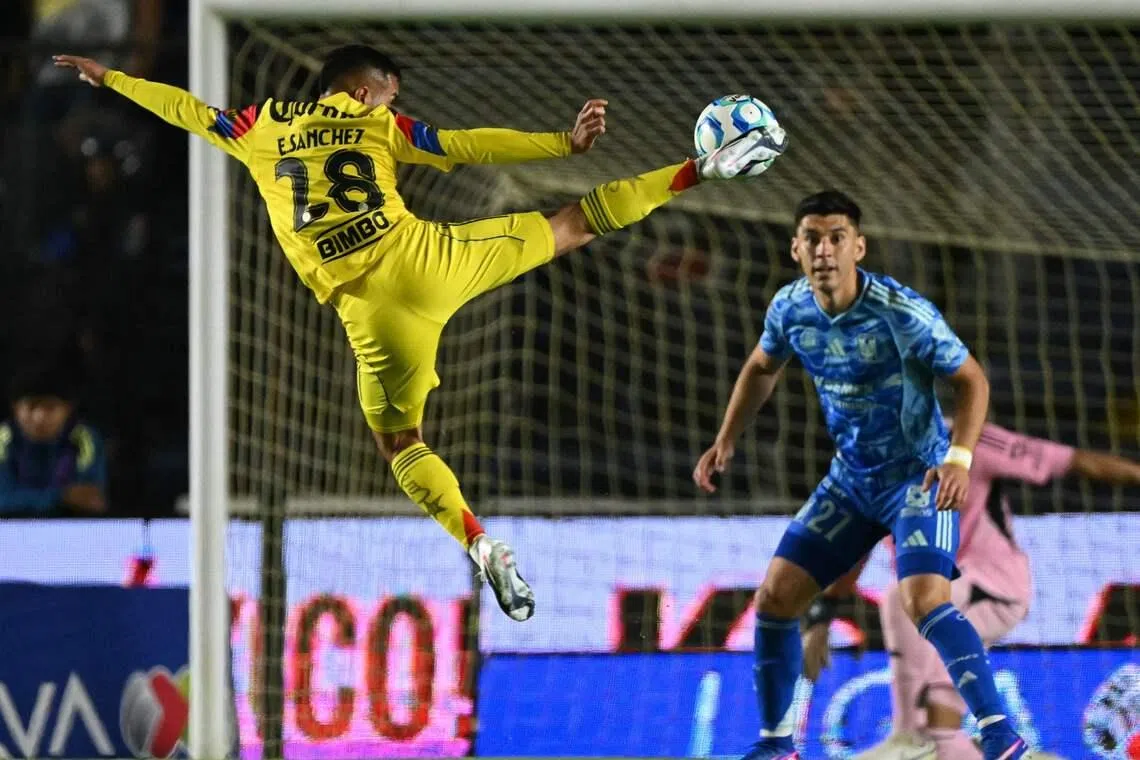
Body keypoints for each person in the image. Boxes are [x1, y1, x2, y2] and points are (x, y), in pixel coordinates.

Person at [53, 46, 787, 621]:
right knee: (572, 225)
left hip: (366, 311)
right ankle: (696, 171)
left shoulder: (263, 124)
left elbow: (187, 109)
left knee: (401, 444)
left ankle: (477, 538)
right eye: (391, 92)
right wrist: (561, 143)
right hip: (428, 261)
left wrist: (110, 77)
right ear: (368, 89)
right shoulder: (379, 123)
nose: (392, 102)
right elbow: (465, 146)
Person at [693, 189, 1030, 760]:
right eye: (813, 239)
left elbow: (972, 379)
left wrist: (959, 458)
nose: (825, 249)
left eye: (837, 238)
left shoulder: (903, 312)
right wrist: (726, 439)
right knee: (775, 597)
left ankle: (998, 730)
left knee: (924, 601)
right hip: (851, 482)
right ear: (796, 248)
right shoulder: (789, 309)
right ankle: (778, 743)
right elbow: (760, 367)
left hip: (916, 479)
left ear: (859, 247)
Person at [800, 421, 1140, 759]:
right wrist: (822, 615)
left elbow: (1074, 460)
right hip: (934, 591)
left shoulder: (971, 442)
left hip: (996, 587)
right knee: (901, 600)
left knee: (935, 658)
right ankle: (912, 739)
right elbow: (855, 547)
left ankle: (932, 743)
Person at [0, 367, 107, 515]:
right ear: (15, 408)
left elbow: (90, 500)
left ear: (68, 409)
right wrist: (61, 497)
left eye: (50, 407)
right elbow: (3, 500)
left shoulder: (85, 439)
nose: (39, 417)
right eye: (31, 407)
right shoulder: (2, 438)